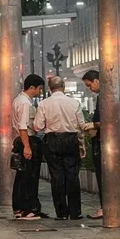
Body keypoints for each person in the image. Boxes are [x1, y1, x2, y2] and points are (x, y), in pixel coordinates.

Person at [33, 76, 88, 221]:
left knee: (56, 177)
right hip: (71, 140)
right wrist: (81, 144)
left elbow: (37, 126)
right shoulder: (74, 103)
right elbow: (81, 125)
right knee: (72, 176)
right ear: (63, 86)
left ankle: (61, 212)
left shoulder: (44, 104)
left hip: (52, 140)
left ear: (49, 88)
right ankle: (75, 212)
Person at [11, 75, 47, 219]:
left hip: (22, 140)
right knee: (30, 176)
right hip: (28, 140)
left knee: (21, 176)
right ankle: (29, 208)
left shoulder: (17, 100)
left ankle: (19, 208)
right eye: (39, 89)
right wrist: (27, 146)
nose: (39, 92)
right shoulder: (25, 103)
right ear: (32, 87)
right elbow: (23, 127)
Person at [80, 69, 104, 219]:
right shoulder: (102, 97)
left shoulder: (104, 97)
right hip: (100, 139)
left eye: (89, 85)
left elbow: (105, 120)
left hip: (102, 142)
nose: (89, 89)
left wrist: (93, 125)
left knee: (103, 176)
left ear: (96, 81)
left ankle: (105, 207)